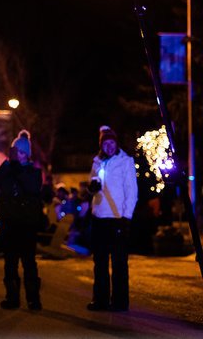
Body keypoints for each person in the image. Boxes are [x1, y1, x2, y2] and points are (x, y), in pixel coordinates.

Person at [0, 129, 44, 310]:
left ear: (26, 154)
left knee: (29, 262)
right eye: (14, 152)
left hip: (27, 223)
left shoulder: (34, 172)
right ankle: (12, 298)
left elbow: (33, 188)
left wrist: (18, 171)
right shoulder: (8, 169)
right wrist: (6, 166)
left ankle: (33, 299)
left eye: (20, 152)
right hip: (9, 221)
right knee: (10, 261)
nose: (17, 155)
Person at [86, 125, 138, 312]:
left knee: (118, 262)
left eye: (111, 142)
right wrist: (91, 189)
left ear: (116, 143)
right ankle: (100, 300)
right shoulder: (97, 162)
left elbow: (131, 192)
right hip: (99, 217)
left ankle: (119, 302)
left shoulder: (125, 162)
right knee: (99, 262)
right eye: (105, 143)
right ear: (101, 145)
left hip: (117, 219)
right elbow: (93, 184)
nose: (109, 146)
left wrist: (126, 217)